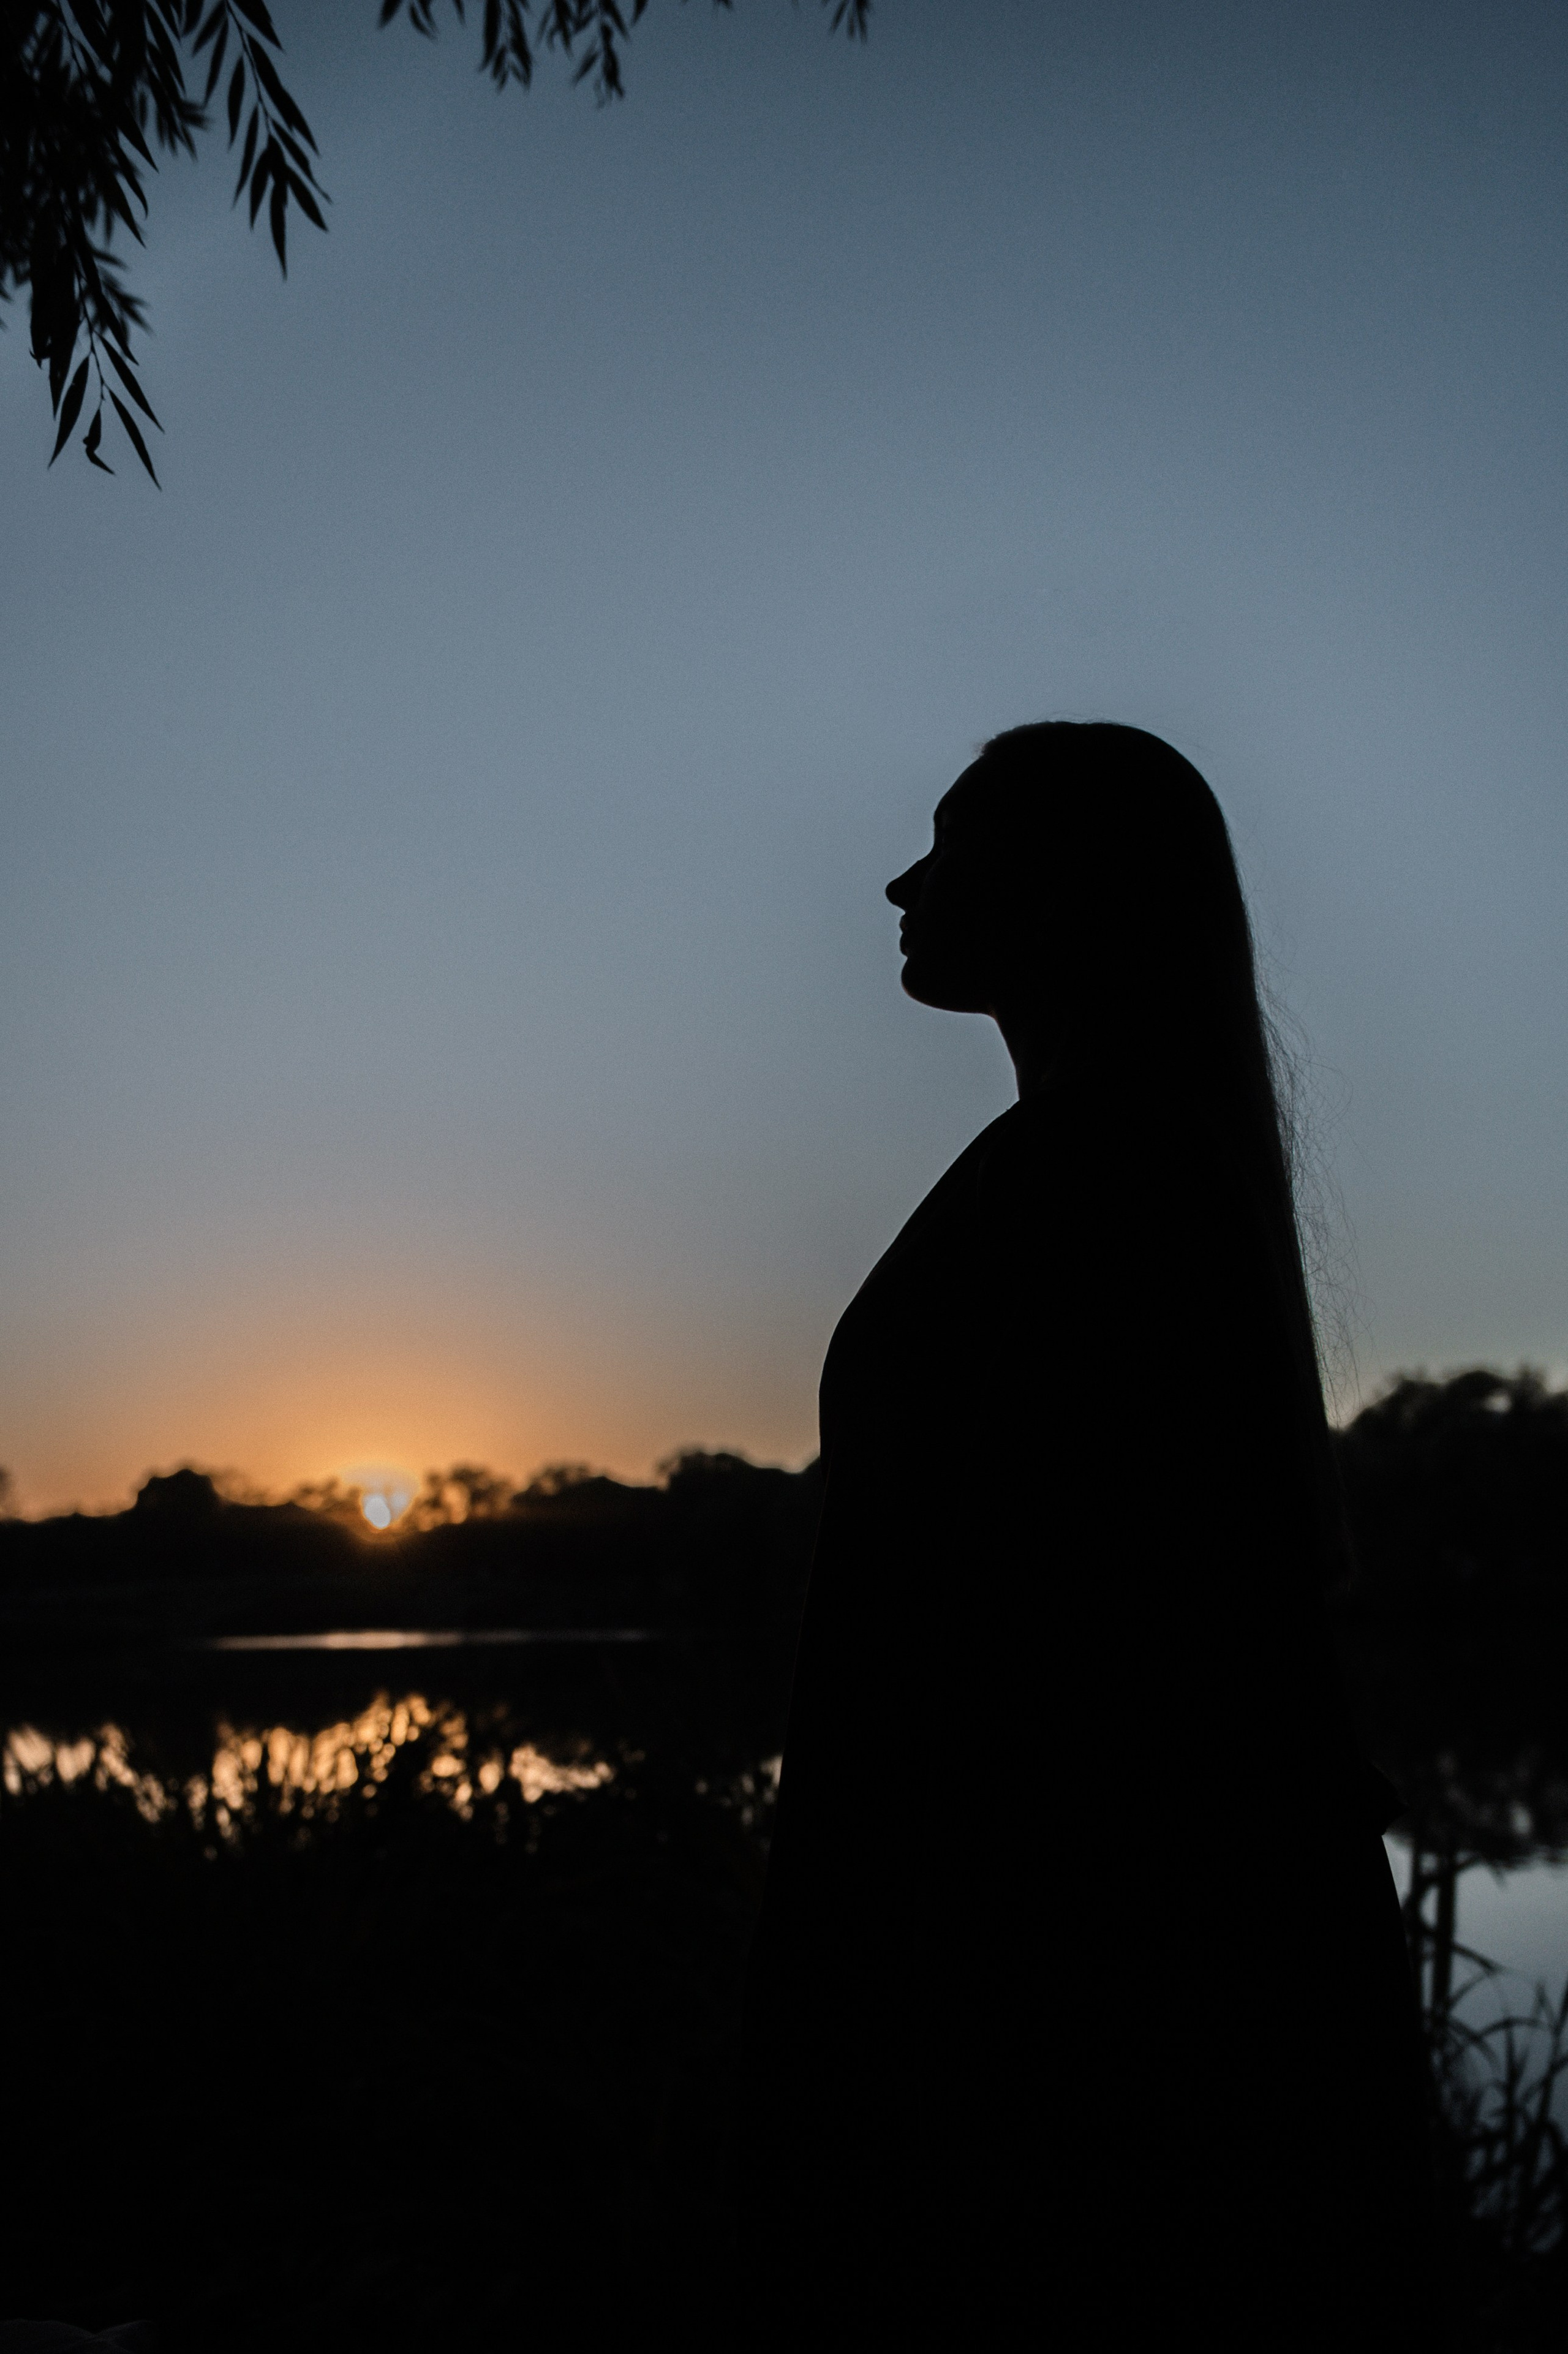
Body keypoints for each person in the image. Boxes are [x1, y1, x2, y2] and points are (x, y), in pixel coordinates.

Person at [731, 723, 1441, 2349]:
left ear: (1080, 890)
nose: (908, 881)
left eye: (960, 845)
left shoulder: (1096, 1187)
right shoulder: (1118, 1170)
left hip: (1046, 1989)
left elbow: (1079, 1662)